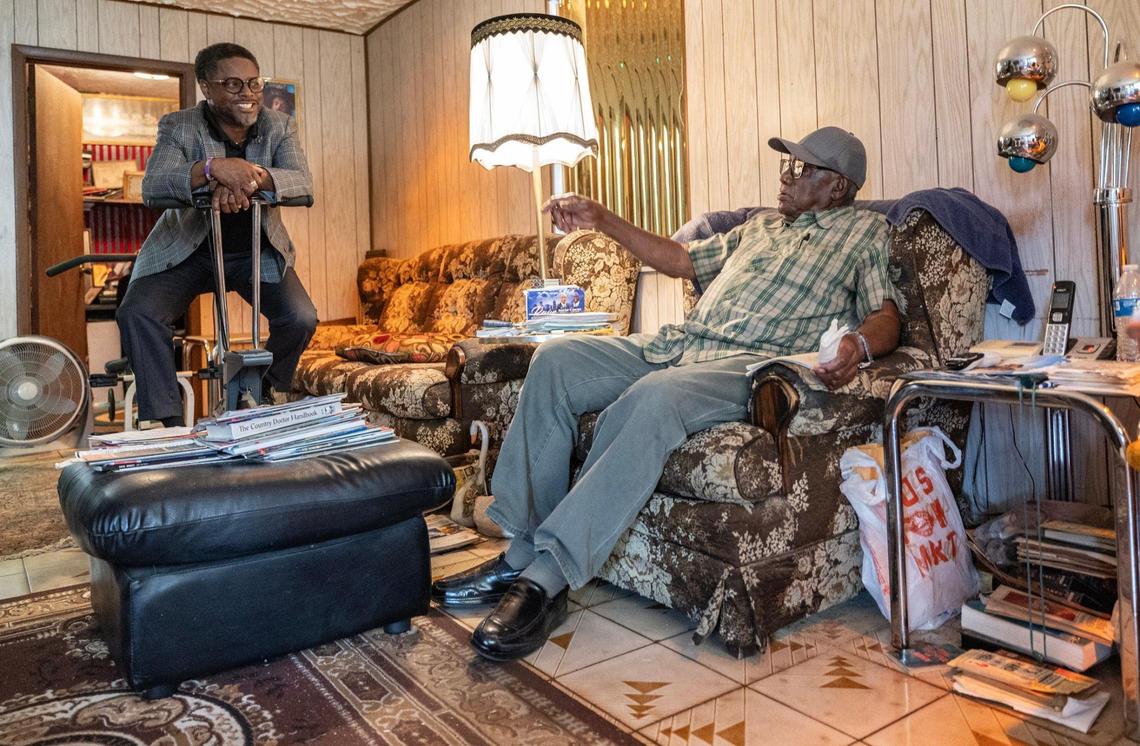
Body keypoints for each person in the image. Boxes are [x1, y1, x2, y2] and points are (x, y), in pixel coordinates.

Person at [432, 126, 904, 661]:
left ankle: (546, 578)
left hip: (746, 364)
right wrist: (602, 219)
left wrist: (860, 344)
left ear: (838, 186)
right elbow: (680, 259)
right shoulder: (761, 227)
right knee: (556, 359)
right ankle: (521, 550)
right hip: (680, 344)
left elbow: (885, 314)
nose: (786, 177)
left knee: (654, 397)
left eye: (802, 169)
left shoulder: (864, 233)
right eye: (787, 166)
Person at [118, 43, 316, 426]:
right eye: (233, 84)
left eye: (254, 83)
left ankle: (264, 393)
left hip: (253, 251)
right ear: (207, 88)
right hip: (189, 251)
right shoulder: (179, 125)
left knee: (301, 317)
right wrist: (212, 168)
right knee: (138, 312)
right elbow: (154, 185)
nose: (248, 94)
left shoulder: (280, 125)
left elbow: (302, 184)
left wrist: (245, 176)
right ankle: (169, 423)